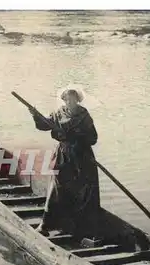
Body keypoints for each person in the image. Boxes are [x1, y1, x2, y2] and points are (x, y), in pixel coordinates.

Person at [30, 88, 100, 237]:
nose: (69, 102)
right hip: (64, 155)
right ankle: (46, 224)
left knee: (82, 190)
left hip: (81, 157)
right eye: (67, 99)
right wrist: (35, 115)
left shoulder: (84, 116)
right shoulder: (58, 113)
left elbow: (93, 138)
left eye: (72, 99)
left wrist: (76, 137)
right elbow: (45, 125)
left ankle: (79, 227)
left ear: (77, 100)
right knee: (57, 187)